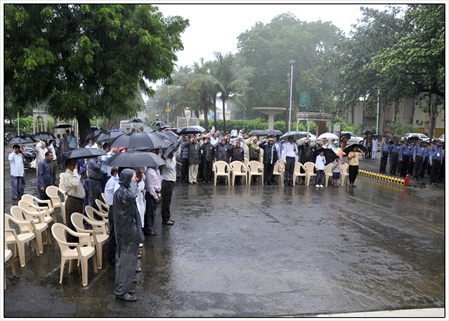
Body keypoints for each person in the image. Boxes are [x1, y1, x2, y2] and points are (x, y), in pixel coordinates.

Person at [113, 168, 144, 302]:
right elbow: (132, 195)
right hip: (128, 234)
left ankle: (123, 287)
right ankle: (121, 292)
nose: (135, 180)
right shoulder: (123, 193)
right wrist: (133, 183)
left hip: (126, 233)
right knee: (127, 263)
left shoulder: (121, 192)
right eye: (132, 178)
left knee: (125, 263)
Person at [59, 158, 85, 242]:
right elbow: (75, 183)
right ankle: (71, 245)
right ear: (70, 165)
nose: (76, 166)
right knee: (71, 224)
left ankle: (77, 241)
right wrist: (75, 171)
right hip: (73, 201)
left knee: (76, 223)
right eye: (74, 165)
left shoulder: (72, 174)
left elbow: (77, 183)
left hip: (77, 201)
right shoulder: (68, 174)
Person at [104, 167, 119, 264]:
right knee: (113, 234)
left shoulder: (115, 181)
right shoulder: (113, 182)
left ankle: (115, 255)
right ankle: (112, 257)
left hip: (115, 208)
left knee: (116, 233)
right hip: (113, 209)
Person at [143, 165, 161, 236]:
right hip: (151, 195)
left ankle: (150, 227)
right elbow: (150, 186)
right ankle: (148, 228)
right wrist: (155, 196)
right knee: (150, 212)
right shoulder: (148, 172)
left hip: (156, 193)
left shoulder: (154, 171)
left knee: (153, 212)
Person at [160, 149, 176, 225]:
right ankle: (165, 219)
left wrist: (172, 157)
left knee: (168, 200)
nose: (173, 153)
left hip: (171, 180)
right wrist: (171, 158)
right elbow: (171, 167)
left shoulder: (172, 158)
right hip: (167, 181)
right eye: (172, 152)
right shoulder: (165, 160)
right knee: (166, 201)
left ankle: (167, 217)